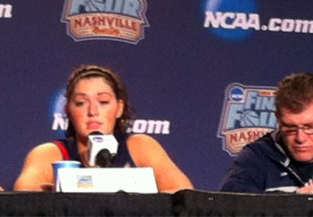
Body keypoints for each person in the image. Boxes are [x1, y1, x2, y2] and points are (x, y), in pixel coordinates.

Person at [13, 64, 194, 193]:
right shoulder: (50, 153)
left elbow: (182, 193)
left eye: (103, 102)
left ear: (119, 108)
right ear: (68, 110)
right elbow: (25, 197)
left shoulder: (140, 146)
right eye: (81, 103)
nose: (93, 111)